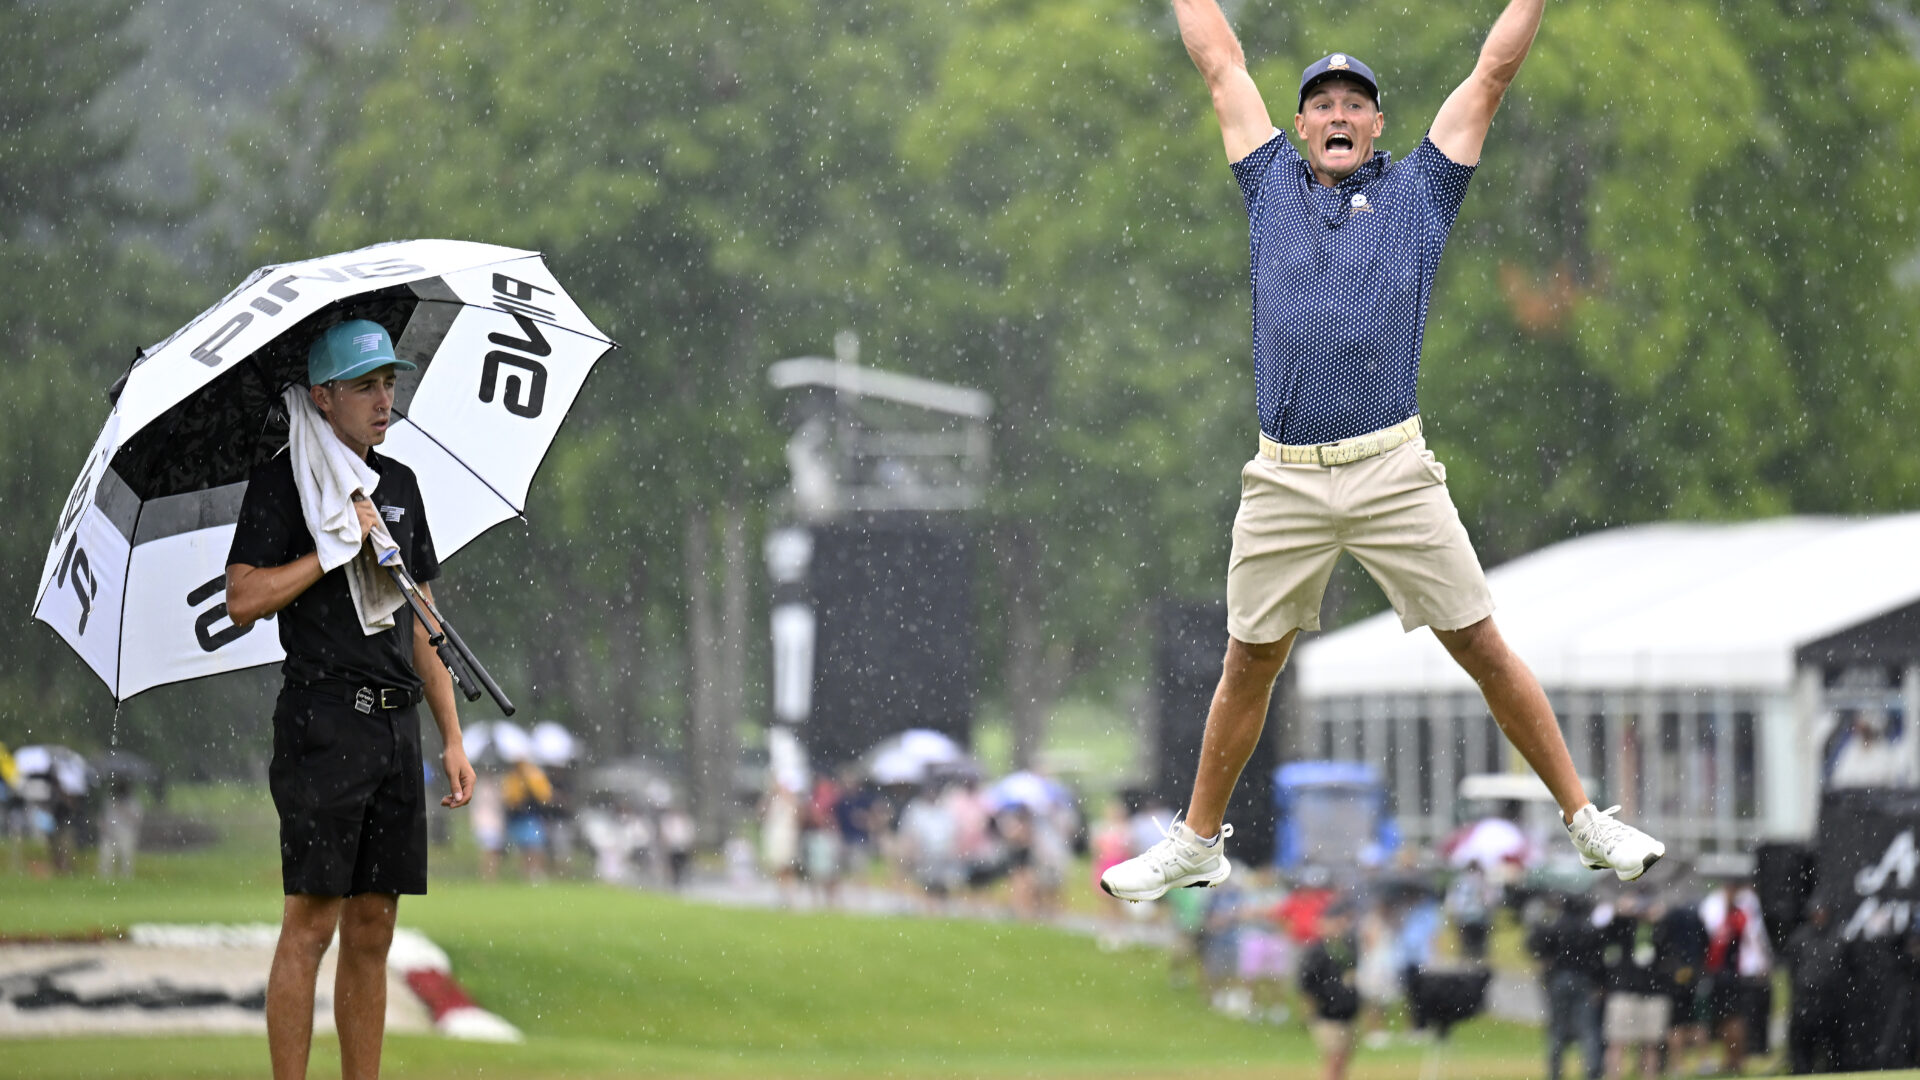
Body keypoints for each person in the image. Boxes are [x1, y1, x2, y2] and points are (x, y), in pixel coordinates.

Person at [1100, 0, 1665, 903]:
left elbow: (1491, 73)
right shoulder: (1268, 183)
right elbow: (1217, 58)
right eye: (1320, 104)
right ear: (1299, 125)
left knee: (1478, 642)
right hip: (1284, 474)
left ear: (1376, 123)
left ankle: (1584, 820)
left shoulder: (1421, 192)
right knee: (1250, 660)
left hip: (1391, 468)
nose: (1336, 115)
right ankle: (1197, 840)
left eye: (1353, 104)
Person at [226, 318, 475, 1080]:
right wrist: (330, 552)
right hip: (322, 722)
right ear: (322, 397)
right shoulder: (282, 482)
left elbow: (422, 621)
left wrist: (452, 737)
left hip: (395, 730)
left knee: (375, 926)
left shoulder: (398, 486)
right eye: (366, 386)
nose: (383, 398)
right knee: (313, 922)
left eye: (390, 382)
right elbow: (243, 598)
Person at [1528, 893, 1604, 1080]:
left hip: (1559, 980)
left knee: (1557, 1029)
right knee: (1588, 1030)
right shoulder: (1589, 929)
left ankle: (1555, 1073)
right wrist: (1599, 983)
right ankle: (1592, 1071)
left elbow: (1535, 945)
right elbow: (1598, 959)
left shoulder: (1556, 927)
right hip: (1584, 981)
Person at [1298, 902, 1363, 1080]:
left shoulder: (1348, 948)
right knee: (1334, 1060)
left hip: (1347, 1013)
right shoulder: (1317, 951)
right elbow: (1306, 984)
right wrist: (1311, 1010)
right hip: (1327, 1014)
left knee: (1342, 1060)